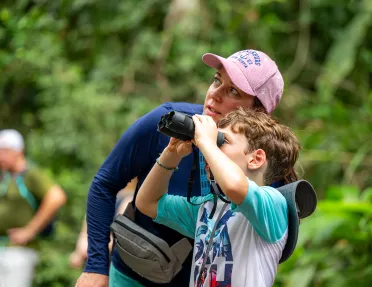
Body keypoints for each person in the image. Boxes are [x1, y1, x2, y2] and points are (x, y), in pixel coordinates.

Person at [76, 49, 286, 287]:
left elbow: (258, 243)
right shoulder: (170, 119)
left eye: (233, 91)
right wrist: (95, 266)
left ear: (257, 113)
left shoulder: (267, 167)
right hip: (134, 271)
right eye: (216, 80)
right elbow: (106, 184)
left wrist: (208, 144)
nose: (214, 94)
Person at [136, 108, 311, 286]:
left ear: (255, 159)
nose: (209, 149)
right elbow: (147, 203)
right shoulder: (208, 208)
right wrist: (172, 153)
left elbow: (235, 187)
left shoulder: (273, 203)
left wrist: (207, 142)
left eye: (222, 141)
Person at [0, 129, 67, 287]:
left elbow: (57, 197)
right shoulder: (5, 177)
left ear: (18, 152)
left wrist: (30, 230)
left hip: (18, 251)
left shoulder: (31, 174)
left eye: (5, 152)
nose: (1, 157)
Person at [69, 178, 137, 270]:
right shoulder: (124, 198)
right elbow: (86, 232)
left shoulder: (126, 199)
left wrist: (87, 250)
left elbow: (118, 239)